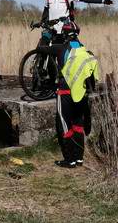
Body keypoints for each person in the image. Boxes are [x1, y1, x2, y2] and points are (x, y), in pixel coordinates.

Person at [43, 25, 100, 168]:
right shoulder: (86, 52)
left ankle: (69, 160)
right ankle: (79, 158)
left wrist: (46, 36)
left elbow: (41, 49)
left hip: (65, 91)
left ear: (64, 34)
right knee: (78, 124)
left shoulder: (60, 48)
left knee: (65, 125)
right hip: (81, 93)